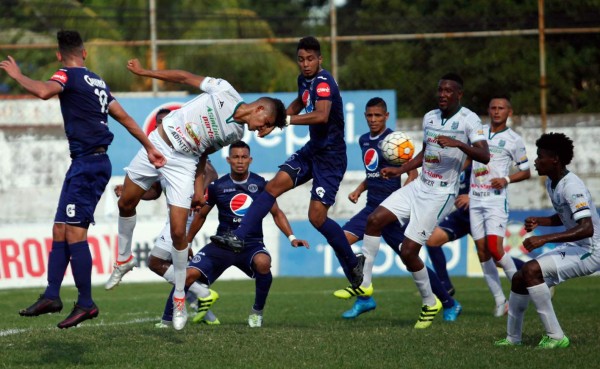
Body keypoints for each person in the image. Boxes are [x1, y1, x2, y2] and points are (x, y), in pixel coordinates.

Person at [104, 59, 287, 330]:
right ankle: (124, 259)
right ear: (259, 108)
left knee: (179, 232)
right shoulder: (224, 91)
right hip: (158, 142)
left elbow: (202, 153)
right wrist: (146, 72)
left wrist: (198, 188)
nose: (264, 129)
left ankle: (180, 297)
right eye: (266, 123)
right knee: (125, 202)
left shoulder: (235, 133)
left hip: (183, 163)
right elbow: (184, 76)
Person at [0, 30, 166, 329]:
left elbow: (43, 91)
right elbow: (125, 118)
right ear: (85, 53)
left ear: (59, 55)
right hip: (87, 163)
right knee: (60, 229)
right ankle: (51, 294)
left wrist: (18, 75)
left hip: (88, 164)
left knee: (74, 234)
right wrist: (150, 146)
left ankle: (86, 303)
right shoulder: (98, 82)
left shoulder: (66, 75)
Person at [211, 36, 365, 289]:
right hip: (312, 151)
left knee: (316, 218)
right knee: (271, 187)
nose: (305, 64)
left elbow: (322, 115)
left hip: (331, 159)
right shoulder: (304, 80)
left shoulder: (324, 82)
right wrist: (276, 121)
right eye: (301, 59)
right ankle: (239, 236)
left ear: (320, 59)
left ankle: (351, 261)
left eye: (310, 59)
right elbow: (300, 103)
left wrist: (286, 122)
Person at [361, 73, 490, 329]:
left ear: (459, 94)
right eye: (440, 90)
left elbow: (484, 155)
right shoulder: (430, 116)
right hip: (420, 185)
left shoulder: (469, 119)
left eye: (448, 91)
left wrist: (458, 144)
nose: (442, 94)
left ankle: (430, 302)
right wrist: (400, 170)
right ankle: (364, 284)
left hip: (441, 193)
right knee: (374, 219)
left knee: (408, 251)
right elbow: (425, 152)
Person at [331, 97, 460, 321]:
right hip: (372, 208)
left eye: (378, 115)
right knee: (339, 241)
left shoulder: (396, 141)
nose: (373, 120)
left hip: (392, 212)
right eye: (369, 115)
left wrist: (402, 200)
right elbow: (373, 172)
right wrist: (360, 189)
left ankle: (449, 303)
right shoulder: (364, 140)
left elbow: (412, 173)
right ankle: (364, 298)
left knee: (410, 258)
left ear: (386, 116)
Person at [160, 141, 308, 328]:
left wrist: (292, 237)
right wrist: (187, 243)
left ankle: (257, 312)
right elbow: (201, 215)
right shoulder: (217, 187)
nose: (240, 161)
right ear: (228, 159)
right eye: (236, 157)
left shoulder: (261, 184)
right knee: (187, 274)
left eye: (244, 157)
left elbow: (276, 213)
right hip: (222, 244)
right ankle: (166, 320)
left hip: (251, 244)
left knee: (263, 263)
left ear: (250, 160)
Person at [113, 108, 220, 325]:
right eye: (158, 122)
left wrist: (196, 194)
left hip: (185, 216)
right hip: (173, 218)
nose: (162, 125)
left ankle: (201, 295)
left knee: (156, 262)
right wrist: (130, 194)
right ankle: (205, 309)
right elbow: (153, 193)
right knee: (178, 265)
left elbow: (211, 173)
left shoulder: (188, 151)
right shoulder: (158, 154)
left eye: (165, 121)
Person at [495, 132, 600, 348]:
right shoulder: (552, 183)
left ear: (555, 159)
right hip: (576, 245)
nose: (535, 161)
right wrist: (540, 221)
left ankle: (556, 337)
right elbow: (565, 217)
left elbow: (586, 228)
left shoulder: (572, 186)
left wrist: (544, 239)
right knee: (519, 277)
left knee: (532, 271)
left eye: (540, 156)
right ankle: (513, 339)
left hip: (592, 250)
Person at [470, 96, 531, 316]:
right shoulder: (477, 134)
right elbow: (469, 158)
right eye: (493, 107)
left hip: (495, 199)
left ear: (509, 112)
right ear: (488, 110)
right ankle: (499, 301)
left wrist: (506, 179)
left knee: (496, 249)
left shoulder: (514, 139)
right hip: (475, 198)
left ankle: (519, 293)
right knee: (482, 252)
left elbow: (526, 171)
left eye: (501, 108)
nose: (496, 111)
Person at [425, 164, 472, 297]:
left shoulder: (479, 161)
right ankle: (445, 286)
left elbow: (493, 183)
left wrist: (472, 197)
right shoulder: (457, 162)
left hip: (480, 214)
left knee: (494, 258)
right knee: (432, 240)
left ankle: (526, 272)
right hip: (462, 215)